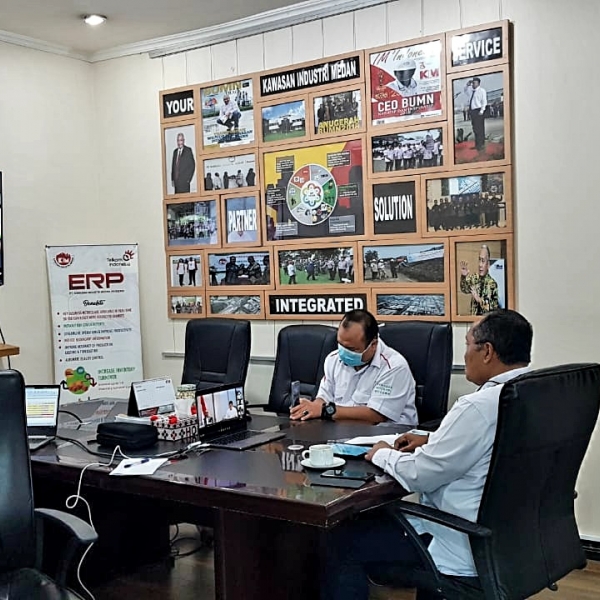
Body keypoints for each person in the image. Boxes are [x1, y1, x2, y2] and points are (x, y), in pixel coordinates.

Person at [321, 309, 533, 600]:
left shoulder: (477, 406)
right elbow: (485, 445)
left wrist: (382, 453)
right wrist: (432, 438)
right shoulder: (533, 392)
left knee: (338, 540)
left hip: (459, 540)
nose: (465, 354)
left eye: (468, 344)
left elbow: (419, 474)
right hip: (511, 540)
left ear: (487, 352)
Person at [290, 309, 417, 426]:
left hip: (385, 439)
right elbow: (323, 398)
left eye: (351, 349)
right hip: (341, 434)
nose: (343, 352)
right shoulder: (333, 359)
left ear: (373, 344)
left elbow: (376, 415)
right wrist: (309, 408)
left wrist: (326, 410)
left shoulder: (394, 366)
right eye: (340, 344)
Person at [460, 244, 499, 315]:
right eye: (479, 260)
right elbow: (464, 289)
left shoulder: (492, 284)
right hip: (474, 320)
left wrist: (479, 300)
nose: (480, 265)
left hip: (486, 322)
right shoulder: (474, 278)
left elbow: (493, 308)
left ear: (488, 264)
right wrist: (463, 277)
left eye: (483, 261)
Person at [465, 77, 487, 152]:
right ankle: (477, 145)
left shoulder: (482, 91)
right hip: (472, 111)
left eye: (474, 83)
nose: (473, 84)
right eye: (472, 83)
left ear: (478, 83)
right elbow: (465, 91)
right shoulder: (471, 91)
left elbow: (484, 101)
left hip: (478, 111)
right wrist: (467, 85)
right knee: (475, 129)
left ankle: (481, 145)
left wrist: (482, 111)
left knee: (480, 129)